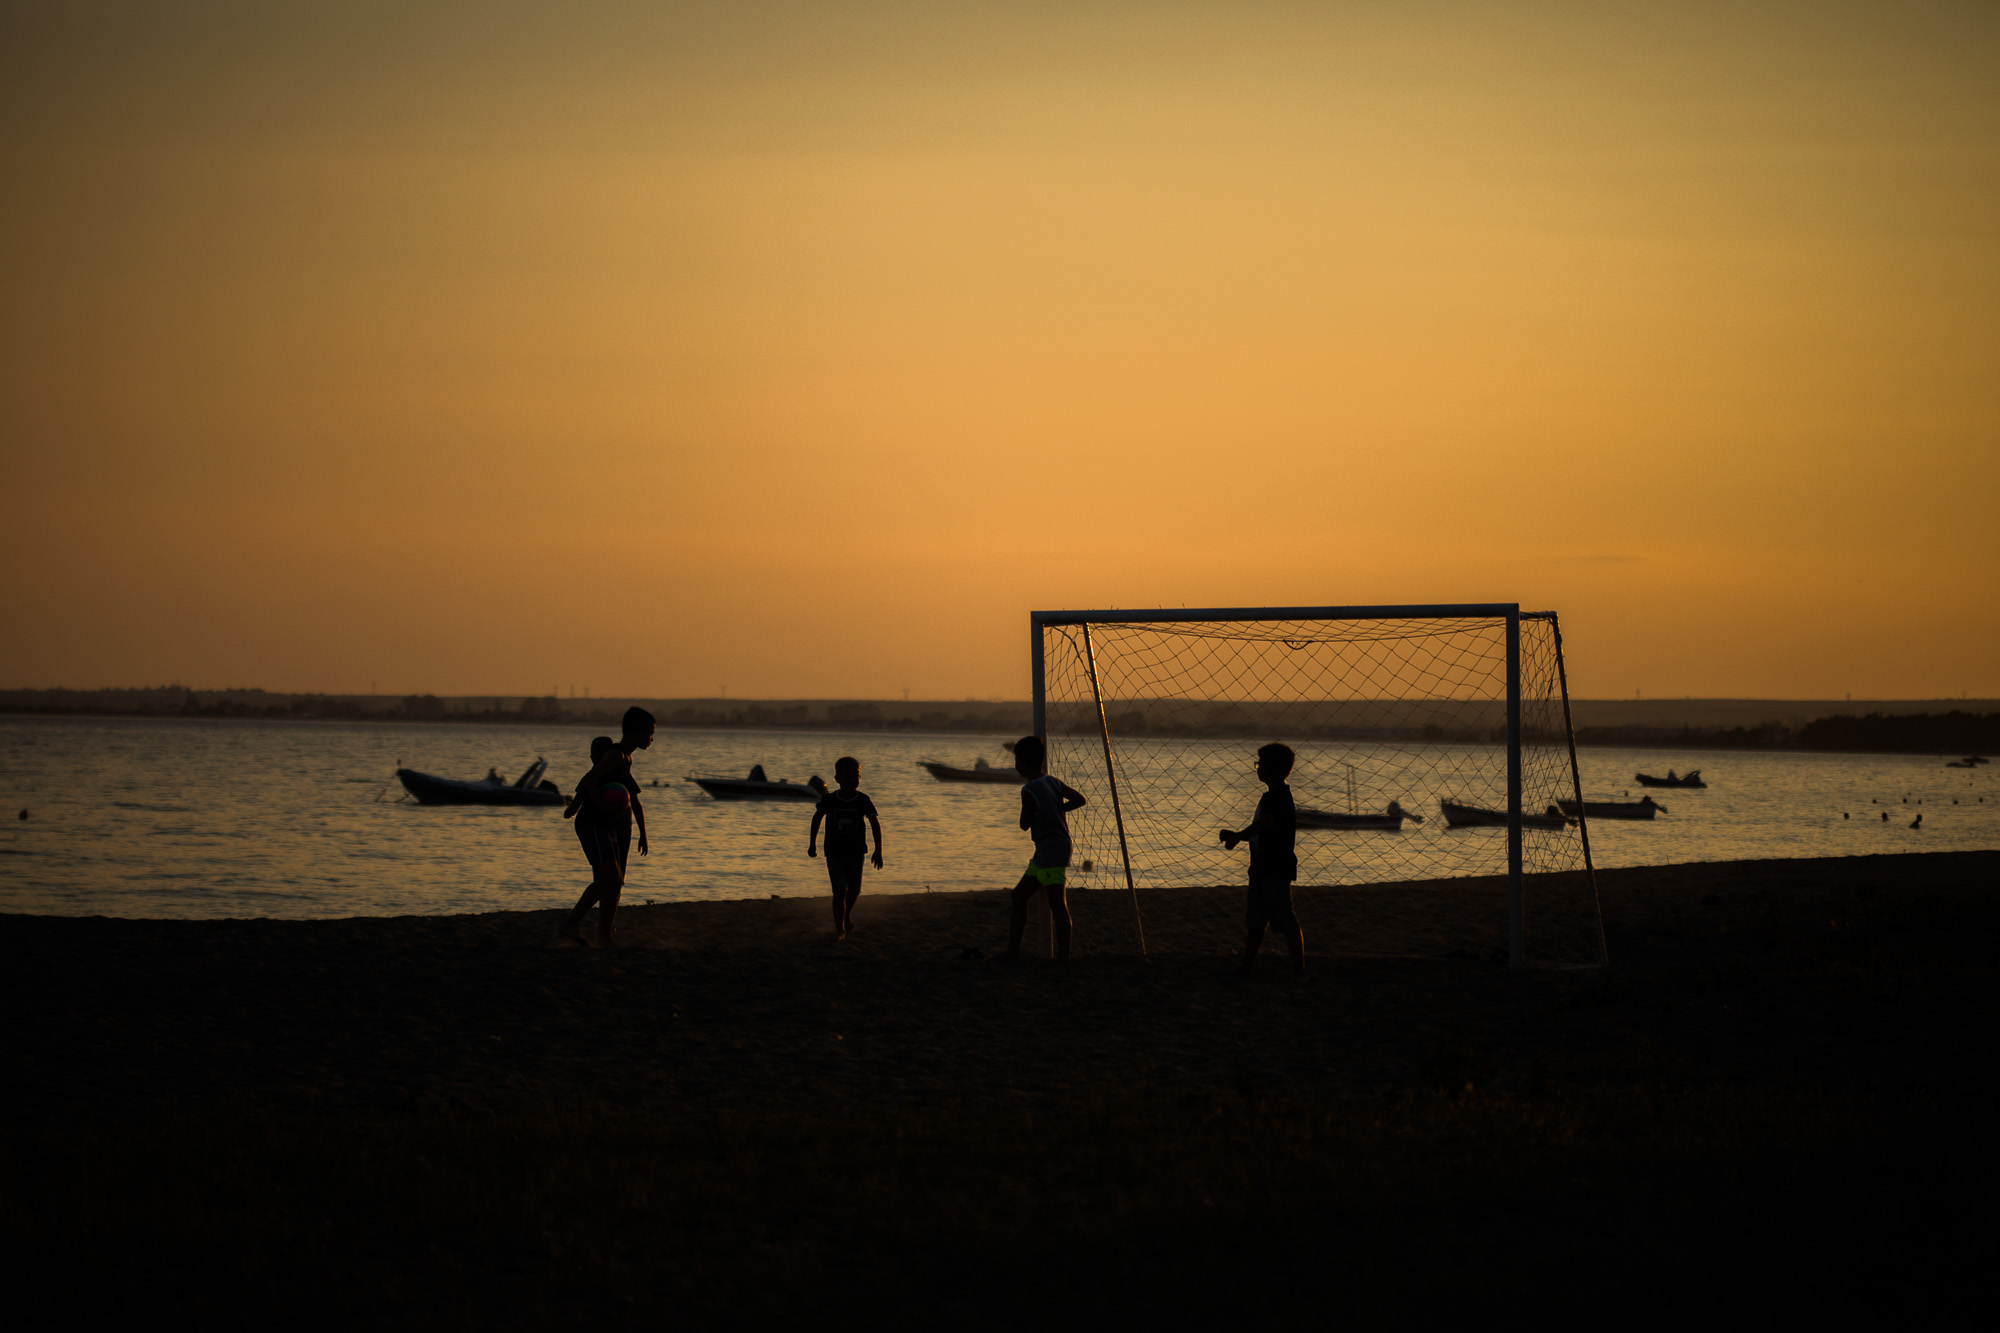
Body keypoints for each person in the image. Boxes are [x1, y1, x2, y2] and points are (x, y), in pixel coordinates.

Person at [558, 707, 655, 947]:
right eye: (650, 733)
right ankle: (570, 924)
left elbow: (634, 800)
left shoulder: (626, 759)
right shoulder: (615, 756)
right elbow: (588, 779)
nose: (652, 738)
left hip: (609, 826)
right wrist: (594, 807)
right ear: (637, 731)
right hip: (592, 823)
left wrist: (643, 833)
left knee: (614, 881)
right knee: (610, 877)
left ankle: (604, 937)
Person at [1220, 742, 1306, 979]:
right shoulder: (1271, 796)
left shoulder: (1278, 797)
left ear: (1271, 768)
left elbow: (1266, 824)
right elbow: (1262, 831)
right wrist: (1238, 836)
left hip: (1275, 867)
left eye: (1260, 764)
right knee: (1256, 920)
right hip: (1261, 866)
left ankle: (1299, 971)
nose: (1257, 768)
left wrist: (1238, 836)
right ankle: (1247, 967)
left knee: (1285, 918)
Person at [1007, 735, 1085, 961]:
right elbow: (1079, 800)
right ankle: (1012, 952)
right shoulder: (1053, 781)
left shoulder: (1029, 790)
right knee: (1018, 896)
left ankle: (1063, 959)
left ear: (1022, 763)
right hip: (1049, 850)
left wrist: (1040, 813)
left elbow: (1024, 824)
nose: (1015, 765)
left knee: (1057, 904)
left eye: (1016, 760)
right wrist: (1057, 810)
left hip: (1051, 850)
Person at [808, 756, 883, 938]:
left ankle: (846, 913)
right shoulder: (830, 799)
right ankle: (839, 929)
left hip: (856, 852)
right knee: (839, 890)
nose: (851, 780)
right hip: (834, 852)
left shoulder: (863, 800)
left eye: (855, 776)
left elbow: (874, 824)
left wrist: (878, 850)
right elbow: (817, 818)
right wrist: (812, 844)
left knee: (855, 890)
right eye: (847, 777)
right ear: (837, 779)